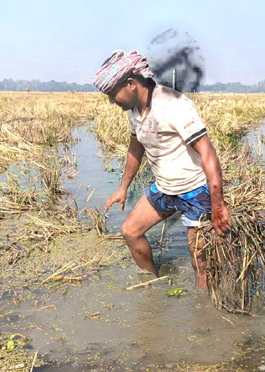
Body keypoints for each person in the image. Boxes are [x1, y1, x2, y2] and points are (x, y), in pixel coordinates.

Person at [93, 50, 231, 290]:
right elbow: (136, 147)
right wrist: (123, 187)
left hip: (194, 192)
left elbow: (208, 152)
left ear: (131, 84)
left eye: (113, 95)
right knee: (130, 232)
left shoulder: (172, 104)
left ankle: (204, 315)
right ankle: (151, 288)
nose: (112, 102)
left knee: (200, 264)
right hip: (164, 188)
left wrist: (218, 206)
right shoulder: (134, 111)